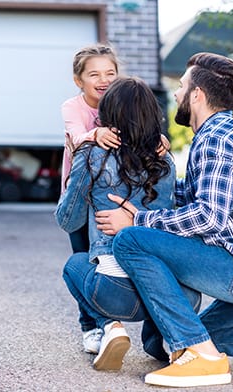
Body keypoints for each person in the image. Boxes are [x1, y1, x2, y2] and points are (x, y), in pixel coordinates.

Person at [95, 52, 233, 387]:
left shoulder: (218, 138)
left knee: (130, 240)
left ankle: (203, 359)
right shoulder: (228, 133)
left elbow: (208, 217)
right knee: (159, 343)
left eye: (182, 87)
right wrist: (152, 169)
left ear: (197, 95)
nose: (176, 95)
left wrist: (138, 222)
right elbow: (191, 201)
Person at [55, 77, 197, 370]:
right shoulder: (165, 160)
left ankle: (111, 327)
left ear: (107, 114)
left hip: (114, 293)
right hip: (172, 294)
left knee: (74, 264)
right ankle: (165, 338)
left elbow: (69, 221)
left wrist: (74, 160)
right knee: (159, 265)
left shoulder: (92, 154)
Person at [59, 43, 170, 354]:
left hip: (120, 190)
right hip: (82, 192)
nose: (104, 79)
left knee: (88, 263)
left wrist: (157, 137)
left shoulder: (122, 102)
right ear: (78, 80)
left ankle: (131, 329)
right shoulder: (74, 107)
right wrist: (93, 135)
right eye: (94, 74)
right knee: (86, 255)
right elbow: (75, 136)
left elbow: (140, 126)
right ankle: (93, 326)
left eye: (110, 72)